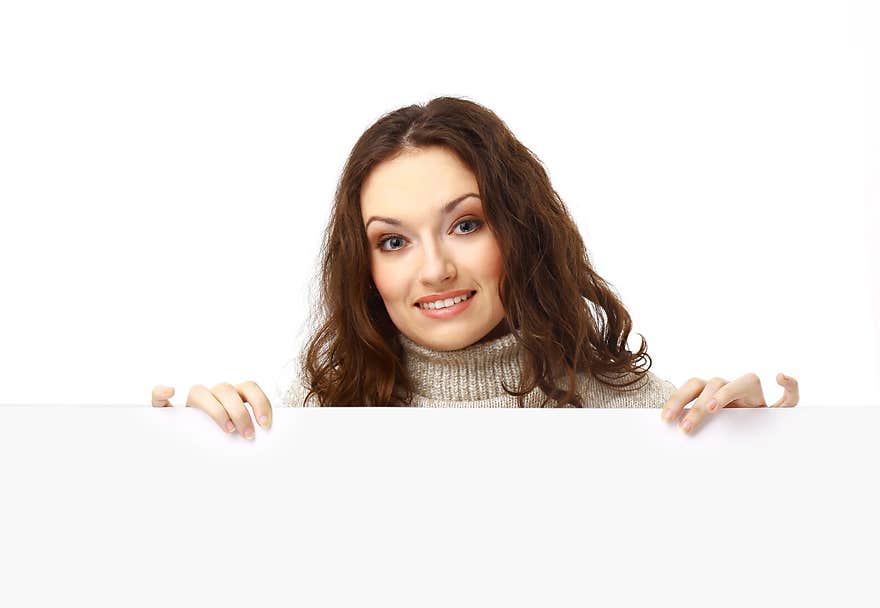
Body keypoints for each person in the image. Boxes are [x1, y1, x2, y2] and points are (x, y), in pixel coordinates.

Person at [152, 96, 798, 435]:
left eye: (465, 224)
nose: (434, 269)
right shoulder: (305, 420)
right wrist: (176, 462)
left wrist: (770, 466)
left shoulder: (652, 420)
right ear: (363, 266)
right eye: (393, 241)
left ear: (521, 230)